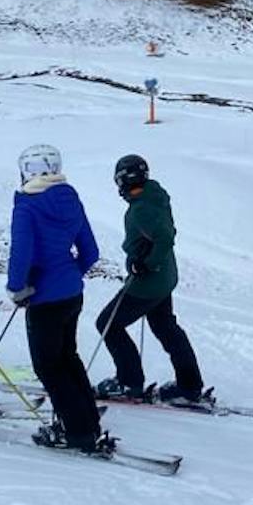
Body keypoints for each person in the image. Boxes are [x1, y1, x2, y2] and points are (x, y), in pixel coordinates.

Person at [5, 144, 114, 455]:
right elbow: (90, 251)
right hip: (71, 293)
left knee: (49, 366)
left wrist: (17, 287)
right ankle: (88, 422)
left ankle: (78, 432)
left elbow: (20, 252)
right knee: (68, 358)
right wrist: (68, 273)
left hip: (43, 298)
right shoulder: (70, 197)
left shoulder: (27, 205)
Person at [94, 154, 205, 404]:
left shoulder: (142, 208)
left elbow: (165, 237)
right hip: (164, 278)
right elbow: (167, 231)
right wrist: (148, 254)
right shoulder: (154, 196)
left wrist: (147, 263)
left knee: (108, 324)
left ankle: (128, 381)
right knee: (166, 329)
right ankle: (190, 385)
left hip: (148, 284)